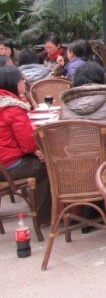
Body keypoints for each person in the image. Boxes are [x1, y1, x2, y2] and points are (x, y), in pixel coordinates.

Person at [0, 66, 51, 222]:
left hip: (4, 161)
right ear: (13, 83)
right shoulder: (12, 108)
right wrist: (35, 151)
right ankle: (44, 216)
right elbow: (28, 144)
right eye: (21, 79)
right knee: (46, 167)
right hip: (9, 165)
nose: (24, 81)